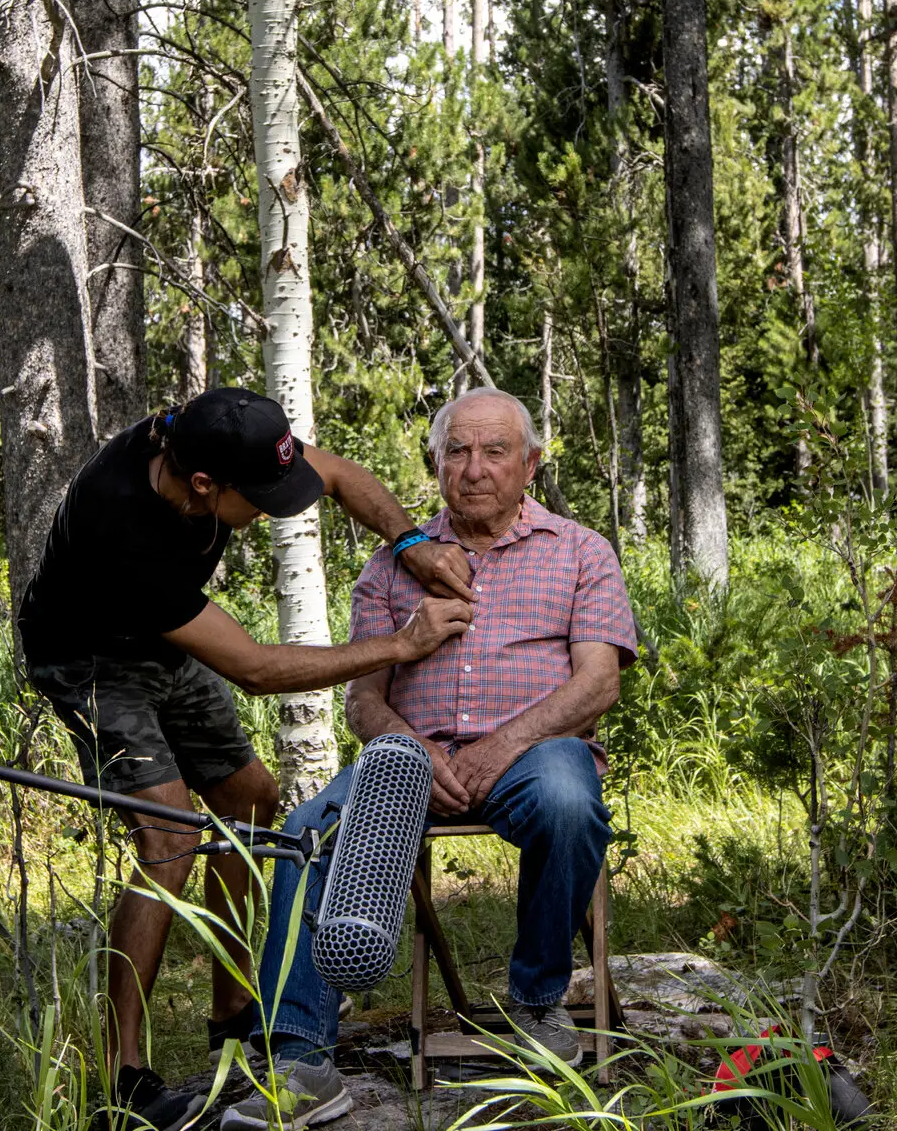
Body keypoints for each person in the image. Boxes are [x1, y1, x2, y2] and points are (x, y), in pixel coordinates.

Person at [17, 387, 474, 1131]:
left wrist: (408, 542)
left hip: (161, 638)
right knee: (170, 838)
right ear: (204, 486)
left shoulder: (215, 442)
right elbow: (256, 668)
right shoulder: (122, 523)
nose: (279, 507)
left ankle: (232, 1010)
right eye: (261, 499)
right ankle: (122, 1078)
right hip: (88, 657)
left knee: (252, 800)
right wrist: (399, 644)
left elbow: (336, 474)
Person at [222, 387, 639, 1131]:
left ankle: (540, 1000)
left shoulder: (580, 550)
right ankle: (298, 1059)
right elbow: (363, 703)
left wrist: (502, 744)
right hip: (410, 765)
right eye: (457, 451)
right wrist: (412, 747)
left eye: (495, 451)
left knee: (570, 802)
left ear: (532, 465)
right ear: (438, 463)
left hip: (534, 752)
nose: (474, 468)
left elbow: (598, 682)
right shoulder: (394, 565)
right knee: (310, 827)